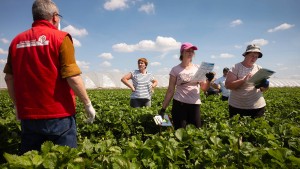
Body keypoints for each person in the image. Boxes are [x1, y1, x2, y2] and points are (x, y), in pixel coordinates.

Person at [3, 0, 96, 154]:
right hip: (59, 115)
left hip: (28, 115)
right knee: (64, 159)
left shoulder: (16, 41)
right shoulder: (61, 38)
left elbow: (8, 78)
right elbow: (72, 76)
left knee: (31, 160)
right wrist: (87, 104)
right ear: (54, 17)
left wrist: (17, 105)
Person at [159, 42, 214, 130]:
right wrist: (163, 109)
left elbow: (204, 88)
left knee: (197, 130)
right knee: (180, 130)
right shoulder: (175, 69)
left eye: (192, 51)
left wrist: (209, 80)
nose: (190, 53)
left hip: (195, 104)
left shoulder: (198, 68)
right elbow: (170, 90)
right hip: (179, 104)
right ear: (182, 53)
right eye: (188, 51)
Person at [225, 44, 269, 118]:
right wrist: (243, 80)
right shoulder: (236, 67)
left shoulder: (259, 69)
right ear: (245, 55)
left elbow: (263, 90)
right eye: (252, 56)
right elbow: (228, 85)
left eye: (256, 57)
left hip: (257, 106)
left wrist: (265, 85)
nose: (254, 59)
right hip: (237, 106)